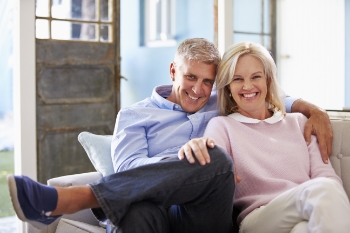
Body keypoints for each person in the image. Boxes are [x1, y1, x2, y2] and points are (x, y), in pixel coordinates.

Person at [7, 38, 333, 233]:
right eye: (191, 77)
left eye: (208, 81)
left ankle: (80, 197)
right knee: (136, 210)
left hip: (204, 215)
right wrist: (184, 159)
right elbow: (130, 171)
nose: (198, 89)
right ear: (174, 70)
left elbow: (264, 93)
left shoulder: (221, 102)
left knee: (213, 157)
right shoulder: (134, 116)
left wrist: (312, 109)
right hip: (154, 207)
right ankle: (87, 198)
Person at [179, 41, 350, 233]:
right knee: (324, 190)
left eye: (256, 76)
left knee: (303, 228)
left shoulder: (299, 122)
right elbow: (213, 166)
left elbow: (325, 175)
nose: (247, 86)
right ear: (227, 87)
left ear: (267, 80)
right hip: (259, 218)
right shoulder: (222, 126)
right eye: (237, 79)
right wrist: (196, 147)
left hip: (307, 207)